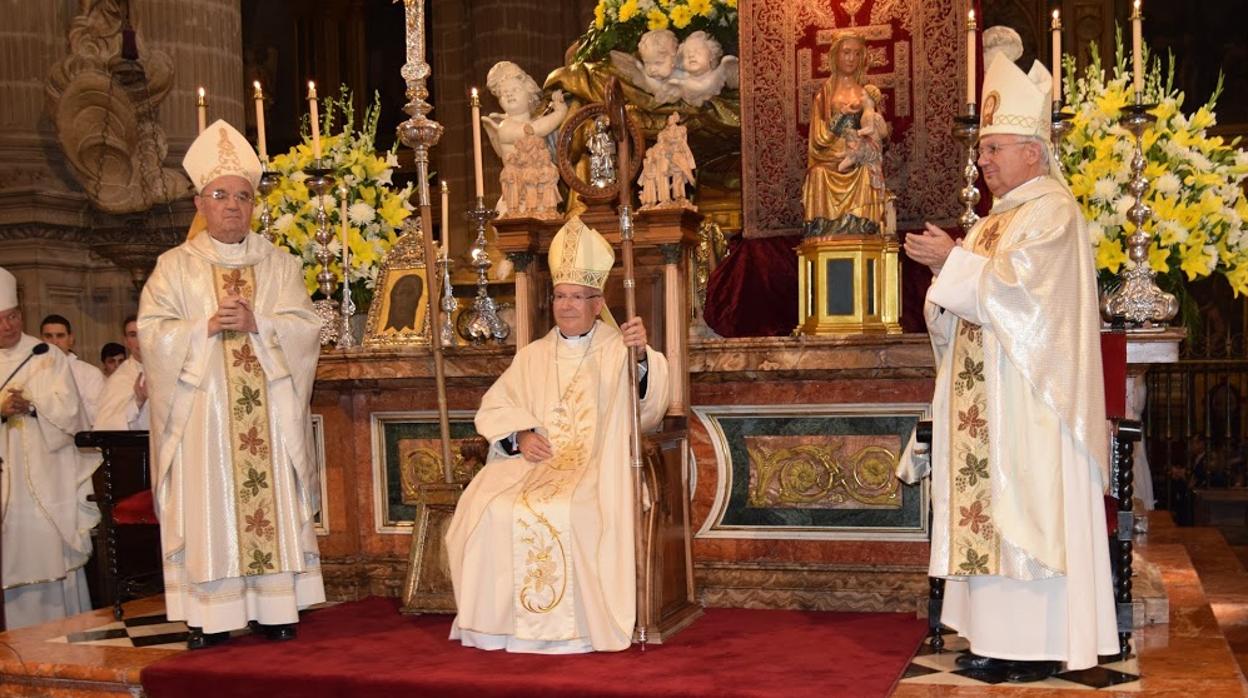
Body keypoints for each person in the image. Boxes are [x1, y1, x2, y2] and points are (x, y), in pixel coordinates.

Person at [899, 54, 1118, 682]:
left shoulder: (1053, 213)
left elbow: (1026, 299)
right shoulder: (996, 222)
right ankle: (996, 638)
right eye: (983, 149)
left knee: (1024, 512)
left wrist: (956, 265)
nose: (984, 161)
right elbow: (962, 314)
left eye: (995, 149)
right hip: (986, 402)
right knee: (985, 512)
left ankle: (1036, 643)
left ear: (1035, 151)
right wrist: (946, 273)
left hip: (1029, 405)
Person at [138, 119, 325, 650]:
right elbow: (152, 334)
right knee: (210, 501)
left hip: (266, 408)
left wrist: (259, 325)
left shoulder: (279, 263)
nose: (232, 206)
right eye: (220, 195)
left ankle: (273, 607)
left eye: (243, 196)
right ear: (200, 203)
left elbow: (306, 327)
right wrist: (203, 328)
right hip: (204, 415)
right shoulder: (174, 268)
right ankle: (211, 614)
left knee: (269, 497)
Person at [446, 216, 670, 653]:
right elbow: (495, 407)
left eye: (577, 298)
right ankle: (498, 627)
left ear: (597, 301)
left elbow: (647, 405)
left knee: (571, 509)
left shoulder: (616, 348)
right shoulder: (532, 355)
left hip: (595, 466)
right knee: (489, 508)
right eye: (560, 296)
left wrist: (641, 356)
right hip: (534, 464)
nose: (566, 305)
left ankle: (575, 630)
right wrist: (519, 436)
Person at [0, 268, 99, 629]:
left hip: (45, 476)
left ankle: (63, 631)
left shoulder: (46, 355)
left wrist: (33, 405)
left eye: (13, 317)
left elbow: (71, 412)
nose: (9, 326)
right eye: (0, 320)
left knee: (47, 547)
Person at [801, 32, 891, 237]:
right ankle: (822, 226)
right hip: (830, 154)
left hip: (860, 155)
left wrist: (873, 137)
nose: (851, 58)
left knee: (867, 172)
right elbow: (817, 139)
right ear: (835, 56)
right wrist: (841, 116)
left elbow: (879, 134)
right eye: (846, 52)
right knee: (818, 174)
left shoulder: (866, 94)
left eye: (857, 54)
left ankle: (861, 223)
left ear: (862, 59)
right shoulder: (823, 96)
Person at [41, 313, 106, 425]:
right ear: (41, 340)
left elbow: (97, 415)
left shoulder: (90, 373)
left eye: (60, 336)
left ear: (71, 339)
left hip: (77, 439)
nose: (54, 342)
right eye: (48, 336)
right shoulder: (32, 371)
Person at [93, 316, 147, 431]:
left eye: (144, 331)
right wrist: (138, 402)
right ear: (126, 341)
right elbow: (105, 425)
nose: (140, 339)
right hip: (138, 445)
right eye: (133, 335)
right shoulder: (120, 378)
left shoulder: (172, 370)